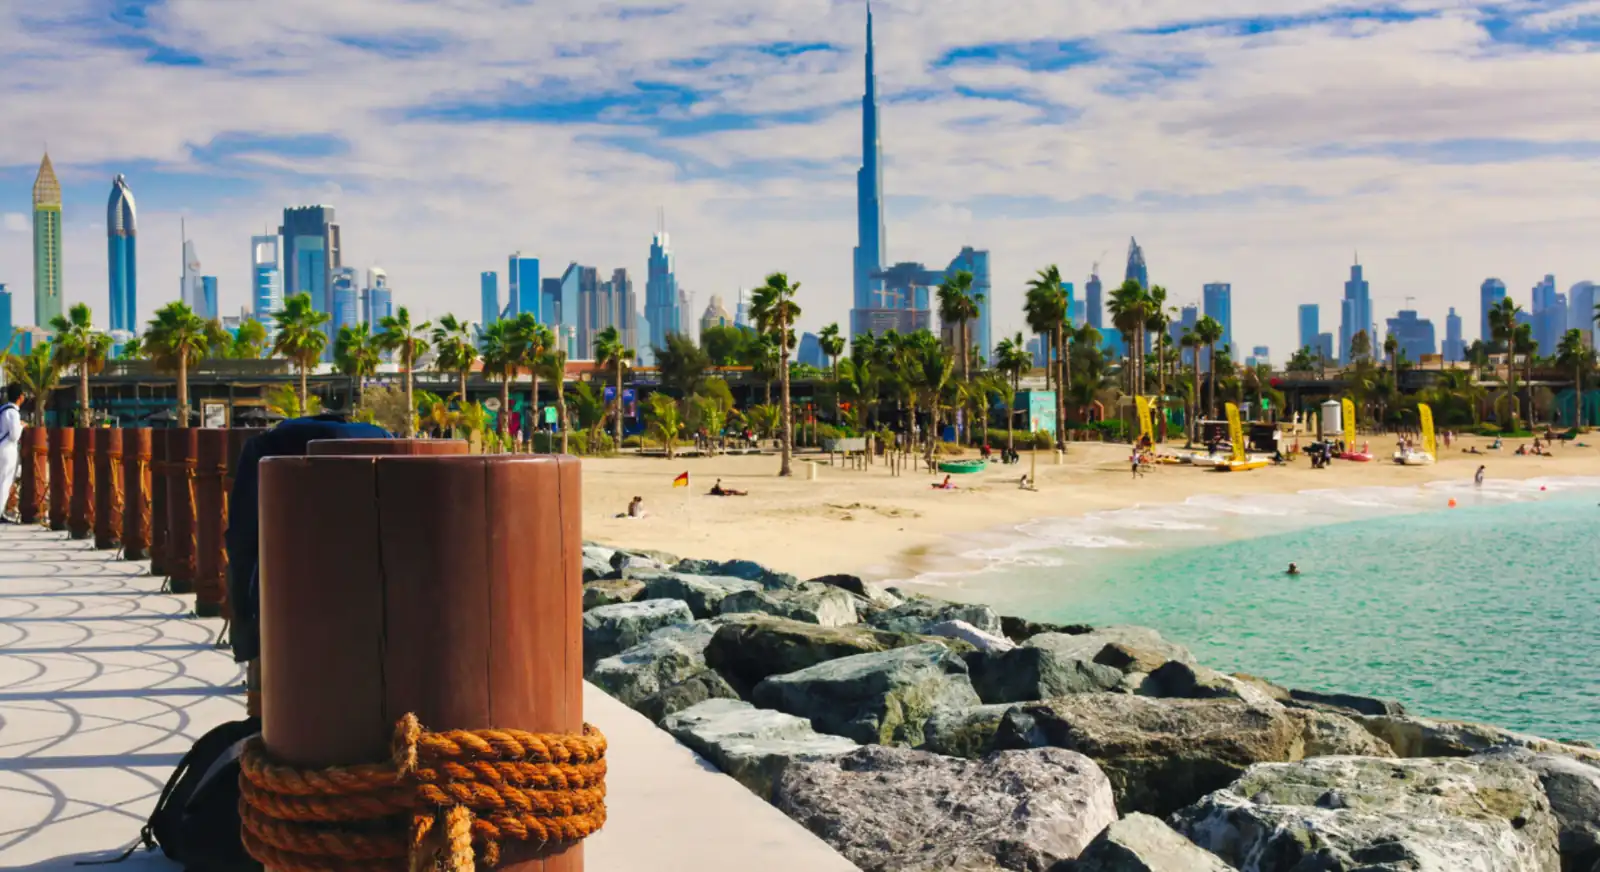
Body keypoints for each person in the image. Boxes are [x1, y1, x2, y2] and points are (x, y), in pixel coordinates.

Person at [225, 413, 392, 710]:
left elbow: (242, 545)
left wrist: (244, 634)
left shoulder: (265, 447)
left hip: (284, 592)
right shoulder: (378, 435)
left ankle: (260, 710)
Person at [0, 385, 25, 523]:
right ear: (20, 397)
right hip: (7, 449)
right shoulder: (13, 413)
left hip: (1, 447)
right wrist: (22, 426)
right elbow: (15, 435)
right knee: (5, 481)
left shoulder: (3, 410)